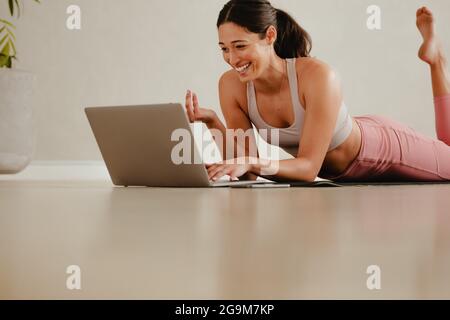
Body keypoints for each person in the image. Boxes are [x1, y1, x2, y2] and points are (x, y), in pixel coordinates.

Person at [184, 0, 450, 182]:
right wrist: (212, 123)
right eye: (224, 48)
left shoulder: (318, 76)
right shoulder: (232, 86)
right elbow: (247, 171)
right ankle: (436, 57)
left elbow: (308, 168)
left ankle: (436, 60)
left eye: (240, 46)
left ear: (270, 36)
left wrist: (253, 162)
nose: (231, 58)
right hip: (346, 168)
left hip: (383, 149)